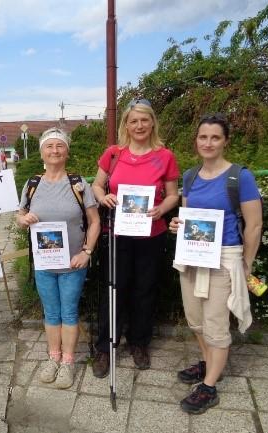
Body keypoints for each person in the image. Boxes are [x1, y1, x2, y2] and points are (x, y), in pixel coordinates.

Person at [169, 113, 262, 414]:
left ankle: (209, 386)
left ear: (225, 141)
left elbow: (254, 225)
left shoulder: (240, 177)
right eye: (203, 137)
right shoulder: (190, 176)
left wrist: (246, 263)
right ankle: (209, 363)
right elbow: (187, 218)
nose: (208, 143)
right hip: (194, 256)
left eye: (215, 137)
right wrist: (177, 225)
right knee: (195, 318)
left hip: (224, 258)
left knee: (216, 323)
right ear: (196, 140)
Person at [91, 98, 179, 377]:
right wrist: (103, 196)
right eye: (133, 121)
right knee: (113, 288)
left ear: (152, 122)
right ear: (126, 125)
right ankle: (105, 346)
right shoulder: (114, 154)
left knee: (145, 289)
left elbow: (174, 193)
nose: (139, 125)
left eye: (144, 120)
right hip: (117, 233)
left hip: (152, 234)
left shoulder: (165, 155)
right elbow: (95, 184)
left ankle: (139, 342)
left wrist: (162, 209)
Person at [16, 127, 100, 389]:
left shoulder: (78, 184)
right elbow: (19, 217)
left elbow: (94, 221)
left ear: (67, 151)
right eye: (49, 146)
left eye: (59, 146)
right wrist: (23, 219)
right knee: (51, 313)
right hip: (44, 265)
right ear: (42, 151)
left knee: (69, 312)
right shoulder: (32, 184)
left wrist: (86, 252)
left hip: (73, 263)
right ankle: (53, 357)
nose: (55, 151)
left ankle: (68, 362)